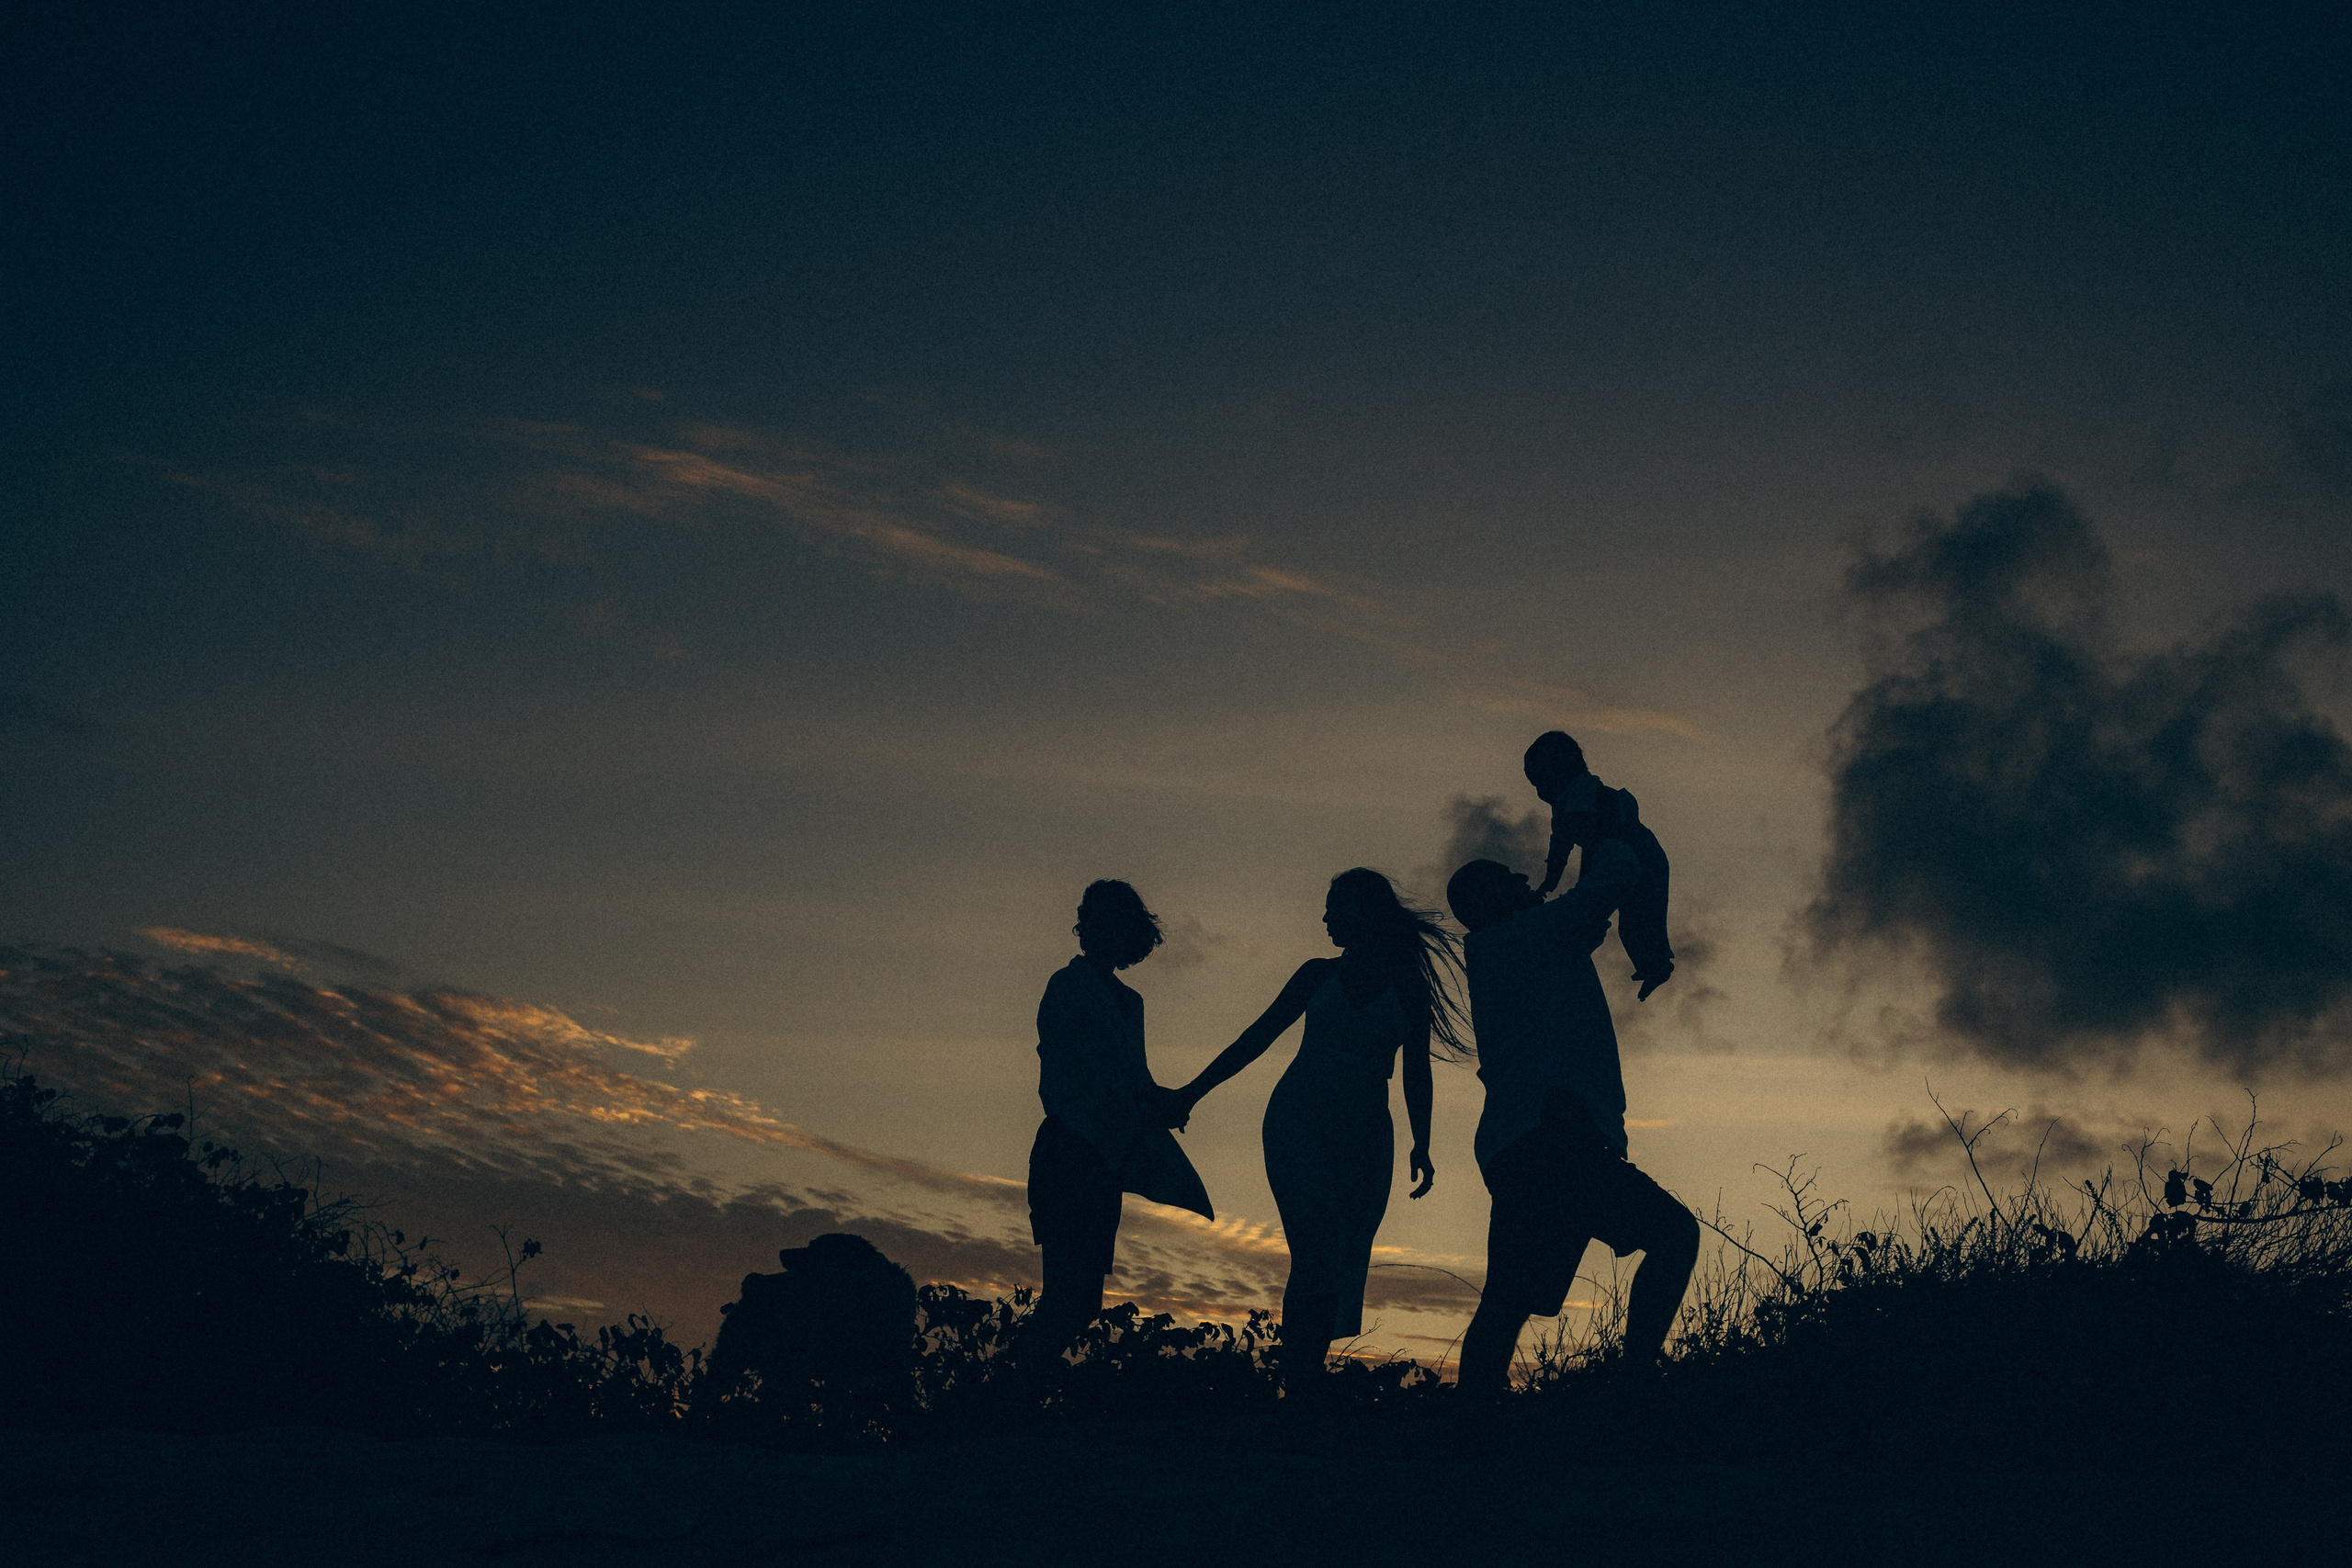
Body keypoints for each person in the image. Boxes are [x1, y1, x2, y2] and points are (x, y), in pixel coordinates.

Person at [1169, 868, 1469, 1389]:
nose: (1326, 916)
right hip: (1298, 1123)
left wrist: (1423, 1140)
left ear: (1365, 912)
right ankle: (1299, 1382)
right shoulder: (1315, 975)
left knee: (1342, 1257)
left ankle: (1301, 1377)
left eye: (1336, 906)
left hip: (1365, 1133)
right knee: (1314, 1252)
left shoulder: (1407, 989)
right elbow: (1255, 1038)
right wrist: (1191, 1093)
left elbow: (1417, 1071)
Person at [1444, 853, 1699, 1399]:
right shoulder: (1519, 938)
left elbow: (1589, 914)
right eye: (1505, 879)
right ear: (1485, 903)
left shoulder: (1532, 943)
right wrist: (1608, 830)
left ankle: (1470, 1426)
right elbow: (1603, 885)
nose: (1521, 878)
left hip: (1537, 1141)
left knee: (1508, 1298)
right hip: (1550, 1140)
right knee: (1674, 1234)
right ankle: (1635, 1383)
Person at [1021, 879, 1212, 1364]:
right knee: (1067, 1295)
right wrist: (1150, 1102)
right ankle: (1010, 1394)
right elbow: (1082, 1072)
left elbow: (1135, 1080)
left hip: (1103, 1159)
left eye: (1106, 922)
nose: (1094, 931)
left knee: (1081, 1300)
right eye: (1091, 920)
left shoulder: (1131, 1004)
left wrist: (1159, 1102)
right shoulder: (1067, 986)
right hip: (1069, 1150)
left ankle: (1015, 1392)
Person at [1523, 730, 1676, 1001]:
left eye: (1540, 783)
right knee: (1631, 924)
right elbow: (1560, 845)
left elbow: (1594, 845)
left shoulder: (1584, 795)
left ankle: (1657, 965)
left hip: (1642, 854)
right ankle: (1652, 965)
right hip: (1619, 856)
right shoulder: (1565, 805)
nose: (1539, 792)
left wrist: (1584, 889)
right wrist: (1550, 880)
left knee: (1642, 918)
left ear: (1561, 772)